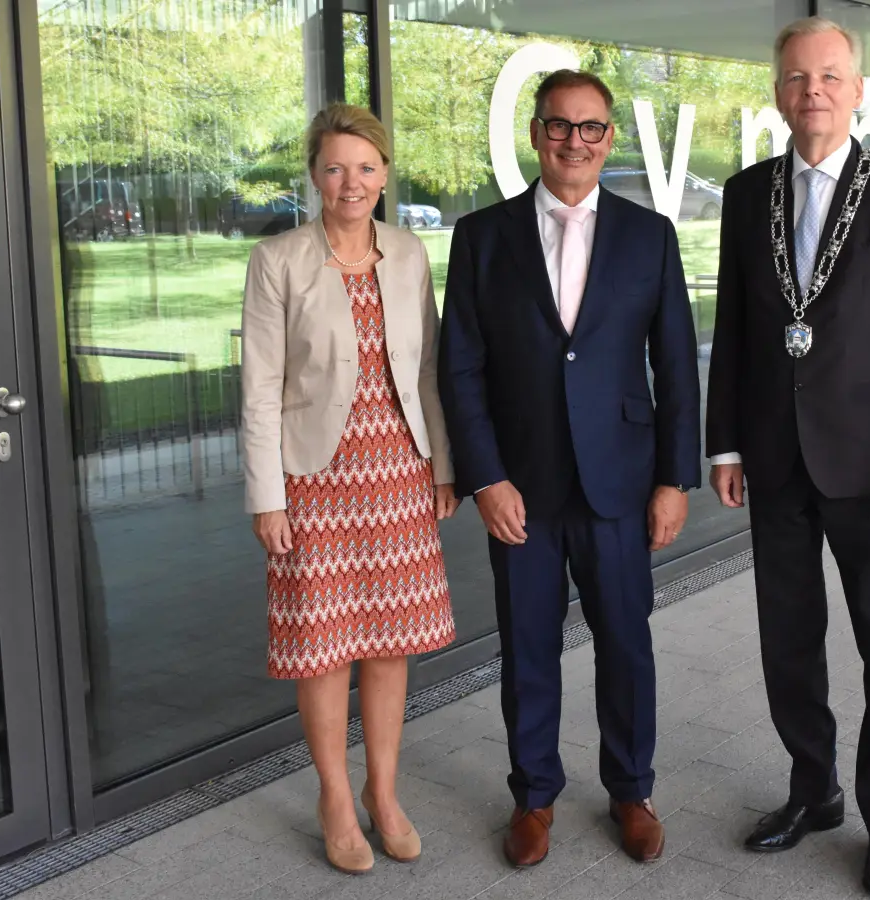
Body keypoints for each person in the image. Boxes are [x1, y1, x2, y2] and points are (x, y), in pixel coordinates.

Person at [705, 17, 870, 896]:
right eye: (797, 77)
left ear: (857, 91)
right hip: (772, 458)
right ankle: (815, 788)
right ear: (777, 90)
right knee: (788, 641)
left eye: (831, 76)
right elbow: (733, 329)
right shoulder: (746, 195)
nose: (813, 91)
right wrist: (724, 440)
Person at [438, 70, 701, 867]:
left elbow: (677, 365)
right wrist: (485, 477)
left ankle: (631, 789)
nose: (574, 142)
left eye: (590, 129)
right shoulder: (482, 237)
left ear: (609, 139)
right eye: (559, 126)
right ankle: (535, 796)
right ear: (537, 134)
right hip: (520, 486)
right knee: (527, 647)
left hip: (621, 482)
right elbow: (461, 369)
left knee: (626, 642)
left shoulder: (650, 235)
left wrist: (671, 479)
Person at [240, 102, 459, 875]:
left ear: (386, 175)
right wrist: (267, 496)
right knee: (324, 647)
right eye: (335, 167)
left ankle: (383, 792)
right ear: (314, 175)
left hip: (398, 472)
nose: (351, 182)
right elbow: (260, 388)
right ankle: (335, 796)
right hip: (313, 481)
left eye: (365, 167)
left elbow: (428, 368)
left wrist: (443, 466)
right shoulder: (280, 262)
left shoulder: (409, 253)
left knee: (392, 644)